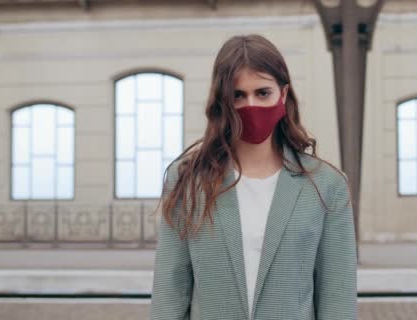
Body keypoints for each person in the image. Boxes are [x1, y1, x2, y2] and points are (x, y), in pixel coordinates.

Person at [149, 34, 357, 320]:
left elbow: (338, 301)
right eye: (238, 95)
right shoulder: (186, 180)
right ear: (222, 101)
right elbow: (169, 295)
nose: (251, 106)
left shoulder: (327, 186)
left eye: (262, 93)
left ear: (283, 95)